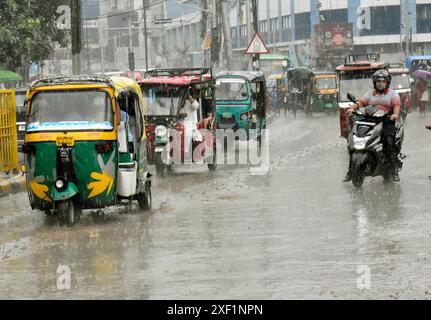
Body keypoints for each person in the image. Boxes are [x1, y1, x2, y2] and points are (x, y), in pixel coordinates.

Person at [343, 70, 402, 182]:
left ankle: (393, 170)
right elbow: (360, 103)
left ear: (387, 83)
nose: (380, 83)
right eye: (378, 81)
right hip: (369, 120)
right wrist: (352, 108)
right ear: (374, 82)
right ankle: (350, 171)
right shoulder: (370, 93)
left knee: (389, 143)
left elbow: (396, 106)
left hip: (386, 121)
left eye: (383, 81)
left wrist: (395, 114)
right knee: (353, 141)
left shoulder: (393, 94)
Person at [181, 89, 202, 154]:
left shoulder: (191, 102)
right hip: (179, 123)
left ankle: (186, 152)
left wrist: (189, 96)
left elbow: (196, 106)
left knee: (187, 133)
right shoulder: (177, 102)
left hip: (190, 124)